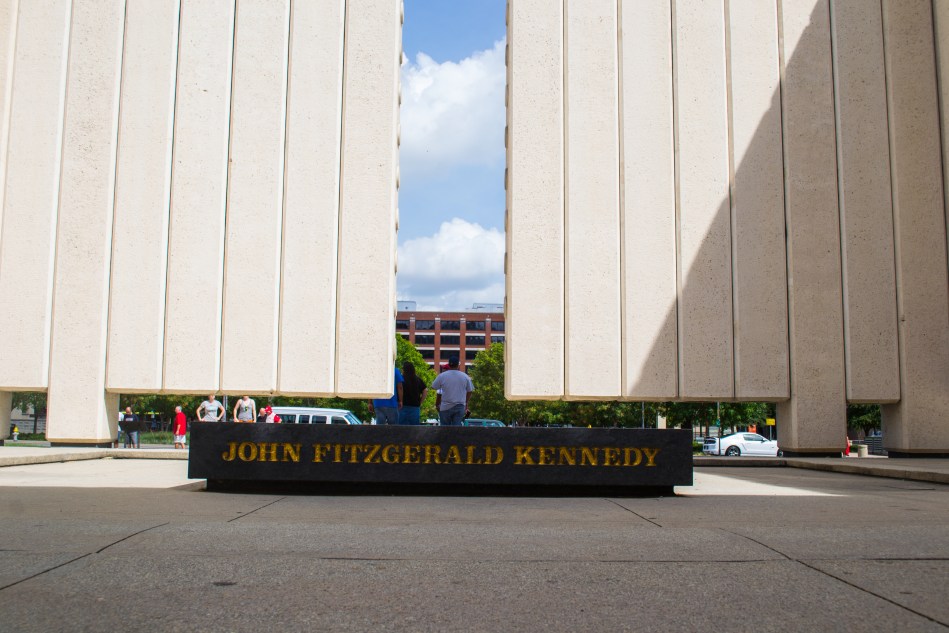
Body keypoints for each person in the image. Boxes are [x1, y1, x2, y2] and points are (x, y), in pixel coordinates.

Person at [429, 355, 473, 426]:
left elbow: (433, 386)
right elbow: (470, 391)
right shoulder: (465, 376)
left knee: (445, 429)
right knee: (456, 428)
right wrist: (466, 401)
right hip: (460, 405)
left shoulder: (442, 376)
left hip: (445, 406)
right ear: (458, 365)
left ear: (449, 365)